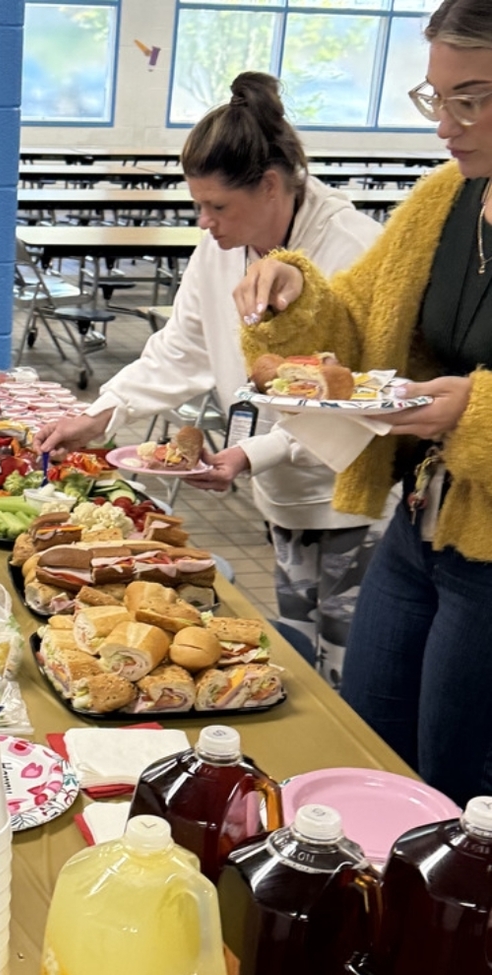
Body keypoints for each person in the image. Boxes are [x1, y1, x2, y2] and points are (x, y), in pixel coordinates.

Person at [36, 72, 387, 687]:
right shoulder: (225, 245)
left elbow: (356, 398)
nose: (205, 221)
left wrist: (251, 452)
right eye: (198, 204)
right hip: (279, 486)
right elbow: (183, 346)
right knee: (300, 645)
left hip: (353, 497)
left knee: (352, 671)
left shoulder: (353, 249)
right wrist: (104, 412)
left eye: (217, 206)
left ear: (272, 186)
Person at [233, 0, 492, 807]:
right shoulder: (446, 200)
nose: (445, 125)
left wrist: (473, 412)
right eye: (435, 98)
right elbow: (358, 316)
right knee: (372, 732)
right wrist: (294, 293)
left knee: (454, 777)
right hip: (422, 522)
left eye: (472, 100)